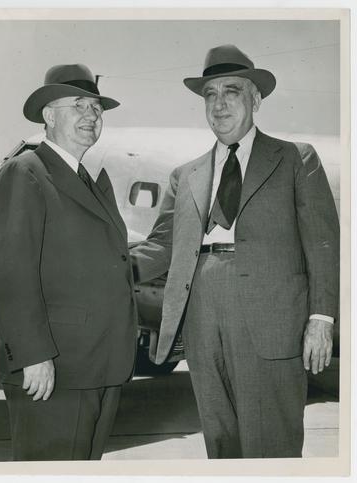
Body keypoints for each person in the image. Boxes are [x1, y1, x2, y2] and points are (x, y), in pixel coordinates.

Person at [130, 45, 339, 458]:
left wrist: (321, 317)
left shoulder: (295, 159)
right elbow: (161, 246)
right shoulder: (185, 174)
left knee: (272, 444)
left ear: (256, 99)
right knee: (221, 443)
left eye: (232, 91)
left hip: (271, 315)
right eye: (211, 94)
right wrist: (100, 269)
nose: (219, 103)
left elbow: (322, 243)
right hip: (201, 316)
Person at [0, 64, 137, 461]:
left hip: (96, 367)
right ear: (49, 117)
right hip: (54, 370)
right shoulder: (26, 172)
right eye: (79, 106)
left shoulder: (84, 179)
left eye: (97, 109)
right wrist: (33, 356)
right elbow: (9, 273)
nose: (92, 116)